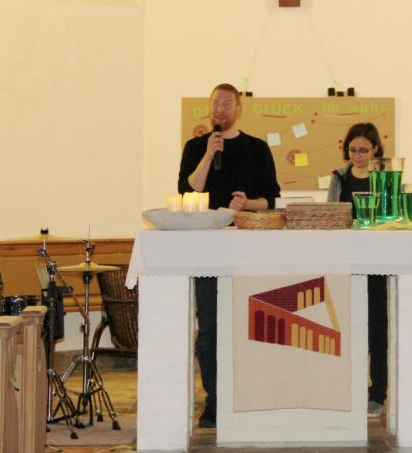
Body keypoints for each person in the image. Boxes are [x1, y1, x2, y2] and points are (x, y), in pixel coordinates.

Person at [177, 83, 281, 428]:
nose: (219, 109)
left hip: (249, 248)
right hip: (207, 249)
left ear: (239, 108)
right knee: (209, 327)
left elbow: (271, 199)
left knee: (249, 323)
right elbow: (188, 190)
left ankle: (248, 394)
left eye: (226, 103)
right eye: (214, 104)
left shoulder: (257, 148)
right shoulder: (196, 146)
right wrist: (209, 153)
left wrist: (248, 204)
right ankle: (214, 398)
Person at [327, 122, 388, 417]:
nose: (358, 155)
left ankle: (378, 392)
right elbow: (330, 216)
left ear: (375, 149)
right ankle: (348, 386)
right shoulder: (339, 177)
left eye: (363, 149)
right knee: (347, 327)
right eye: (353, 149)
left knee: (377, 329)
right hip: (347, 260)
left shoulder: (385, 177)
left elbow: (392, 216)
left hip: (377, 261)